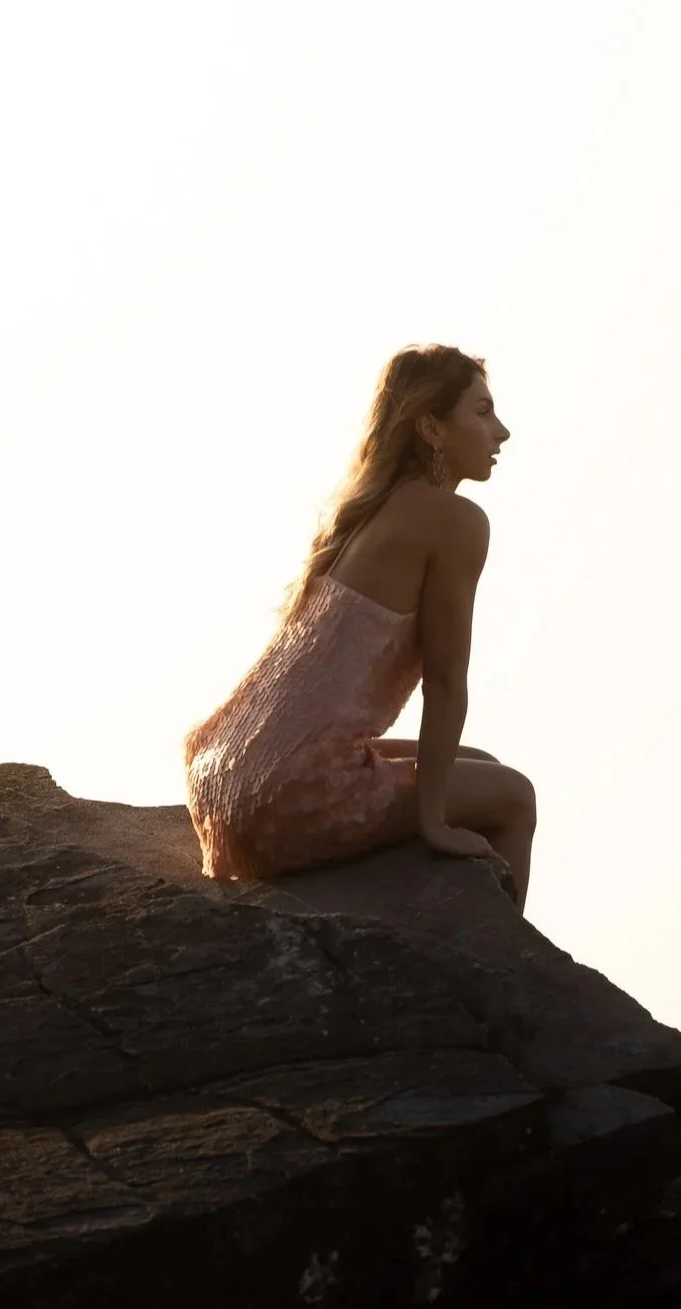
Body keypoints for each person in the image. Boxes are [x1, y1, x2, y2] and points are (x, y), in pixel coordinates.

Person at [182, 344, 538, 907]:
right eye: (482, 411)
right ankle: (504, 958)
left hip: (221, 776)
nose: (502, 432)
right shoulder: (455, 522)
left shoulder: (370, 511)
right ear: (431, 428)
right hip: (287, 796)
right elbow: (446, 682)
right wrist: (434, 822)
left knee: (482, 769)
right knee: (514, 798)